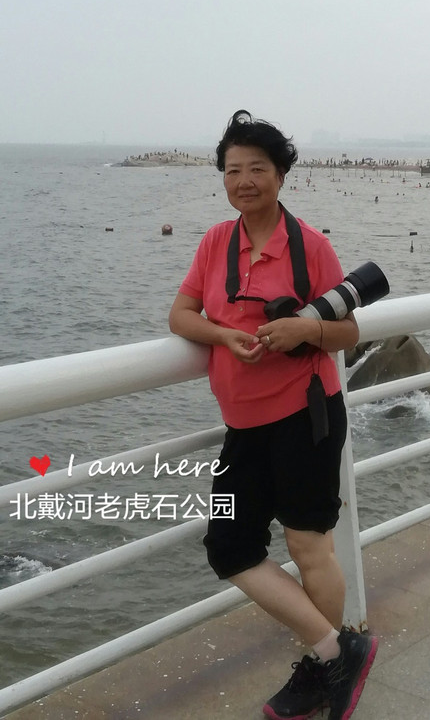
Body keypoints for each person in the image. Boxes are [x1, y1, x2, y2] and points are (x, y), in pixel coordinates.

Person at [169, 110, 378, 719]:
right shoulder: (216, 242)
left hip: (304, 416)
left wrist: (303, 329)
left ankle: (320, 669)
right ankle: (340, 652)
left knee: (309, 547)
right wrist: (222, 335)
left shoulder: (310, 246)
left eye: (257, 168)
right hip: (243, 424)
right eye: (233, 170)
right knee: (229, 546)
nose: (244, 180)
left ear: (281, 174)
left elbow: (349, 332)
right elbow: (179, 316)